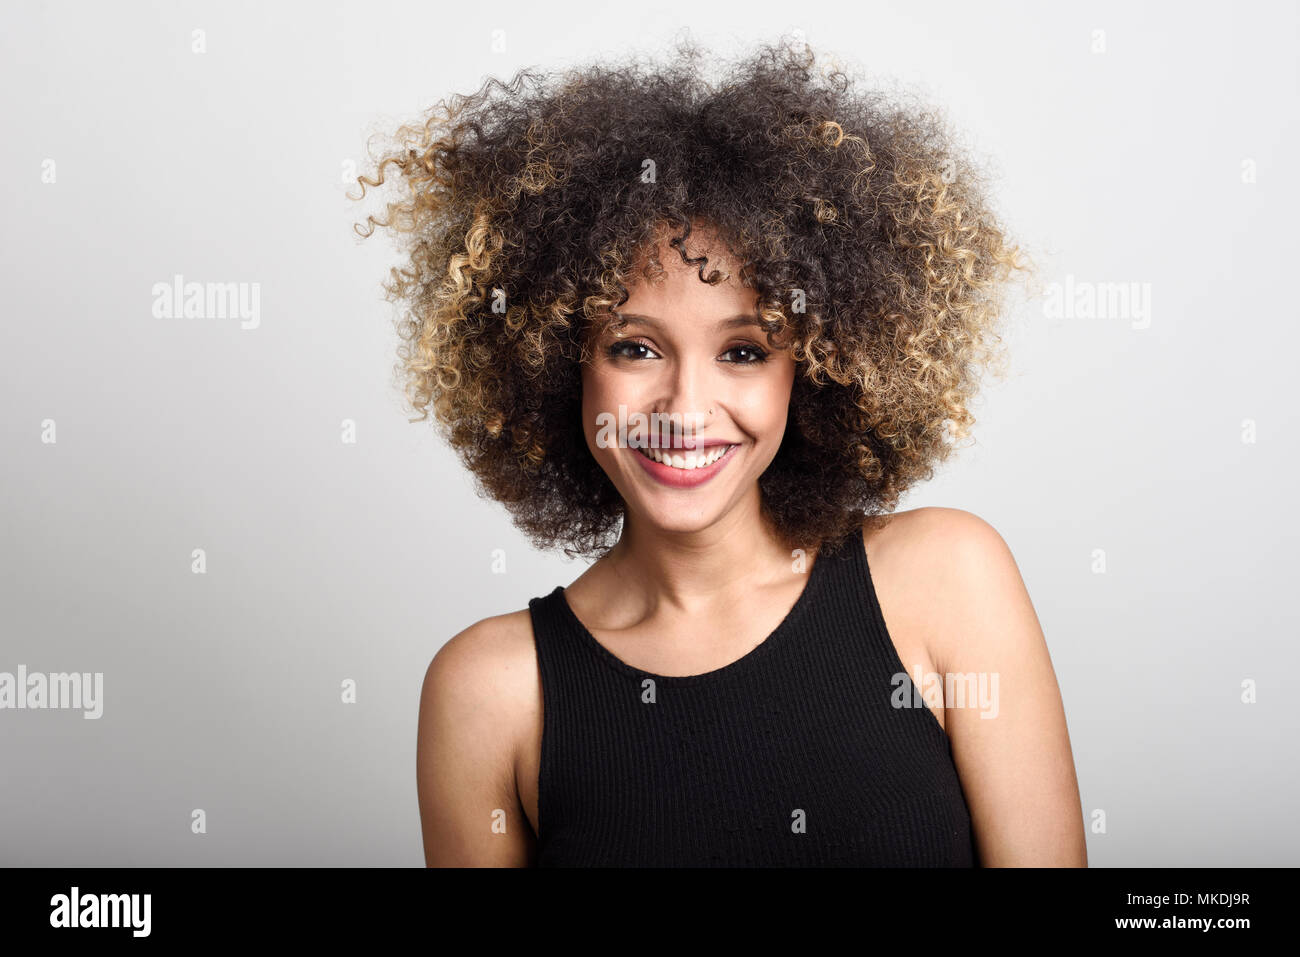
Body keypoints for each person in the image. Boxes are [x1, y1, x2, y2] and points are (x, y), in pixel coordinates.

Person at [354, 36, 1086, 866]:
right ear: (559, 366)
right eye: (634, 347)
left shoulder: (947, 579)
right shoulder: (490, 694)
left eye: (744, 350)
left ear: (811, 372)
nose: (685, 409)